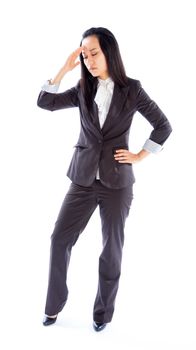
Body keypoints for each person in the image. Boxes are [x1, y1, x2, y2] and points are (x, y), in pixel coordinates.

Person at [37, 27, 172, 332]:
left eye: (94, 53)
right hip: (82, 180)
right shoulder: (83, 89)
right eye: (84, 54)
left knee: (111, 250)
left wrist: (139, 155)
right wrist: (64, 69)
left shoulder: (132, 89)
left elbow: (163, 126)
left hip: (117, 183)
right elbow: (45, 103)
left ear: (110, 52)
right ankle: (53, 306)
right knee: (59, 240)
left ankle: (102, 314)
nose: (89, 60)